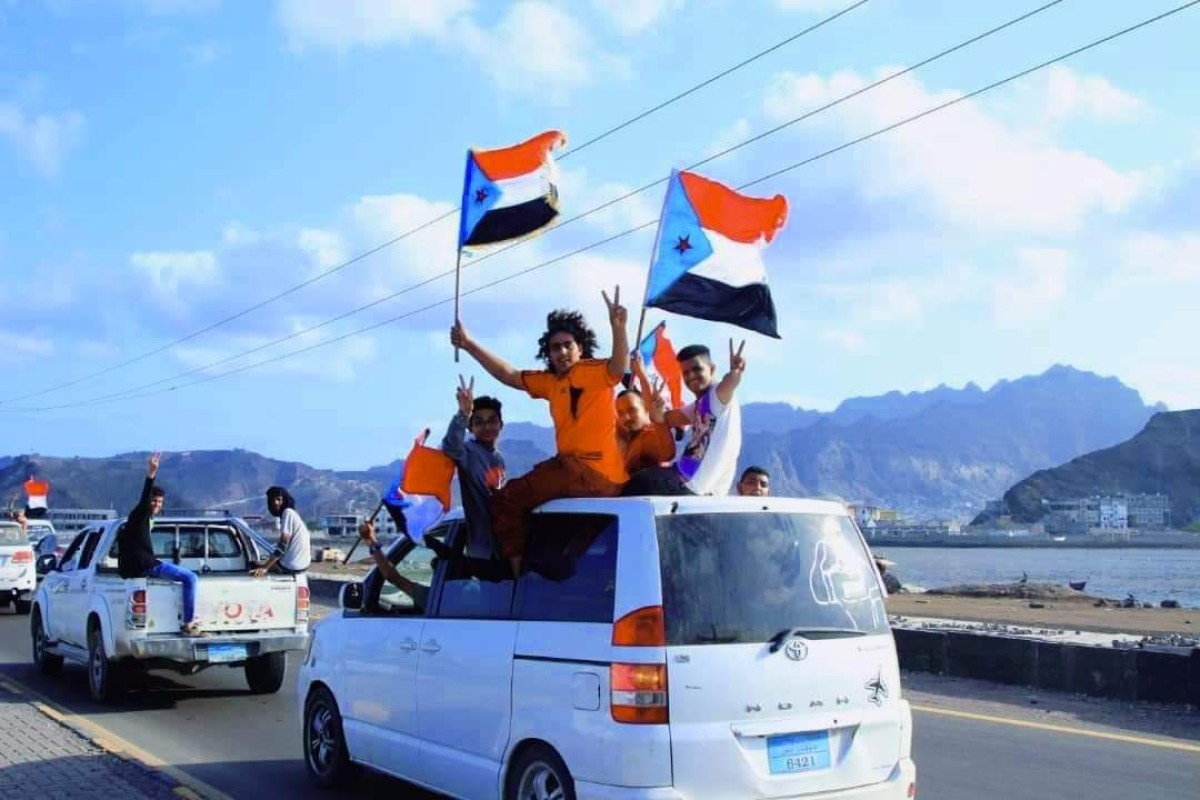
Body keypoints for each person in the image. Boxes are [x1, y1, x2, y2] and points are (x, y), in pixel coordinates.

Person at [451, 287, 629, 577]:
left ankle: (518, 582)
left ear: (580, 348)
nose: (561, 351)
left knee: (506, 502)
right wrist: (469, 344)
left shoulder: (595, 372)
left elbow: (619, 367)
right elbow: (508, 374)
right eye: (555, 347)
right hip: (588, 476)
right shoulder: (549, 382)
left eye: (567, 345)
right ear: (548, 352)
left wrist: (619, 329)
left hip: (585, 471)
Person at [118, 452, 203, 636]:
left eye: (159, 502)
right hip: (146, 565)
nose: (156, 504)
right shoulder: (141, 513)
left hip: (141, 565)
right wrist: (151, 473)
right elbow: (145, 497)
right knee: (191, 578)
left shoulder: (146, 519)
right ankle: (188, 623)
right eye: (154, 501)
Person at [440, 376, 507, 559]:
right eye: (478, 422)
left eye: (492, 421)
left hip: (504, 547)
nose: (486, 426)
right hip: (482, 552)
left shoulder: (499, 459)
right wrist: (463, 414)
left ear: (501, 424)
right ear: (470, 428)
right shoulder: (469, 452)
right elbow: (451, 446)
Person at [618, 354, 676, 477]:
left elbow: (666, 453)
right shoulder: (631, 439)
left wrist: (659, 419)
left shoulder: (647, 437)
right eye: (620, 413)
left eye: (632, 410)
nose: (626, 417)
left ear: (646, 408)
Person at [359, 519, 431, 611]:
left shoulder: (433, 596)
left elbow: (393, 577)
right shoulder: (448, 596)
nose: (433, 563)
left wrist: (371, 541)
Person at [253, 486, 312, 576]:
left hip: (292, 566)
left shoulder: (287, 513)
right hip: (303, 565)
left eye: (278, 499)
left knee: (254, 565)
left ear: (283, 500)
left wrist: (265, 568)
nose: (275, 503)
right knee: (261, 563)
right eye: (272, 500)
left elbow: (283, 545)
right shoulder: (292, 514)